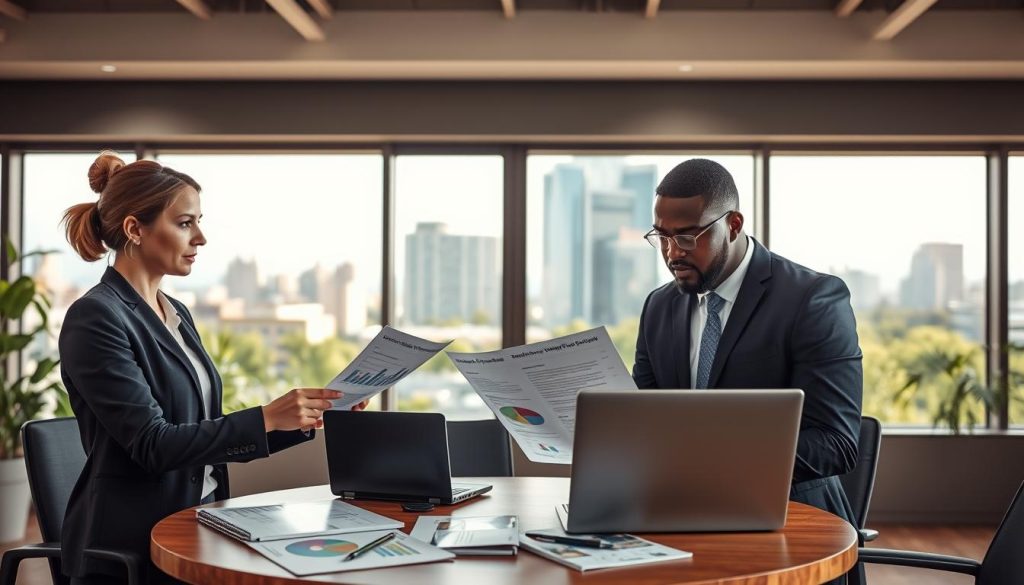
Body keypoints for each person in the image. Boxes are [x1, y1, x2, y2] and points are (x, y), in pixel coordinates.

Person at [58, 152, 356, 584]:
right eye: (184, 223)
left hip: (201, 522)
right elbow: (154, 445)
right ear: (134, 229)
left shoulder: (175, 312)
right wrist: (267, 416)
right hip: (137, 544)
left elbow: (202, 430)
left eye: (199, 222)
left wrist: (306, 418)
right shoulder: (96, 317)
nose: (200, 238)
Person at [633, 158, 863, 533]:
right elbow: (645, 415)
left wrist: (712, 462)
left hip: (793, 519)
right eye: (661, 236)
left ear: (733, 225)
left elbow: (836, 443)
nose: (673, 253)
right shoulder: (659, 306)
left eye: (687, 236)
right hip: (677, 512)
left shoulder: (813, 299)